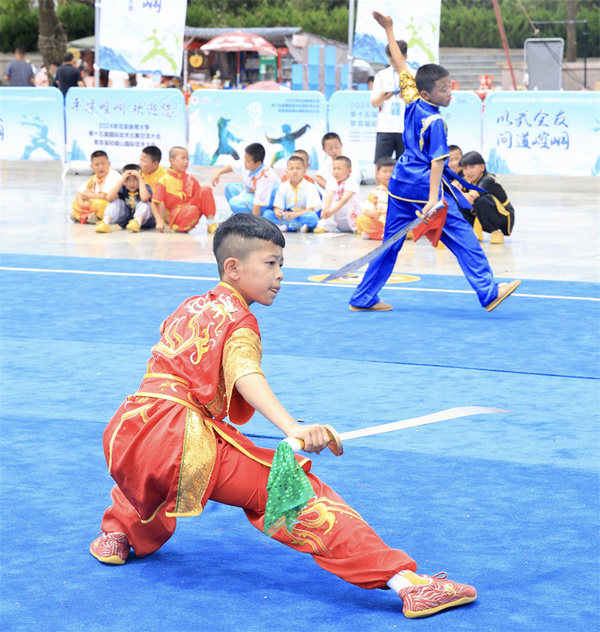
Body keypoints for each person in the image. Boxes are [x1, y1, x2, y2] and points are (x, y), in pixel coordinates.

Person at [89, 213, 477, 620]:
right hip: (180, 435)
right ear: (233, 267)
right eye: (270, 263)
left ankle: (116, 533)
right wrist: (292, 428)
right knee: (294, 491)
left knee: (159, 466)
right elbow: (244, 372)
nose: (279, 275)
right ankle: (407, 585)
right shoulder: (240, 321)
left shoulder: (191, 306)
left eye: (281, 264)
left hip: (130, 429)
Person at [349, 12, 520, 313]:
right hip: (423, 188)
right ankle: (488, 291)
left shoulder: (412, 97)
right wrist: (432, 200)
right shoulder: (435, 120)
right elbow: (439, 162)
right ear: (428, 92)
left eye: (450, 87)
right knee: (462, 236)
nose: (450, 93)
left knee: (390, 245)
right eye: (444, 90)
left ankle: (363, 297)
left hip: (400, 184)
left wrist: (389, 28)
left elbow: (400, 64)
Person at [152, 146, 218, 233]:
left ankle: (210, 222)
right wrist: (159, 221)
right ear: (172, 161)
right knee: (193, 210)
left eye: (187, 159)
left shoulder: (191, 179)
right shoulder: (164, 180)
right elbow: (154, 203)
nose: (186, 162)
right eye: (183, 158)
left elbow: (201, 197)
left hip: (191, 208)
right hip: (176, 213)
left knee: (206, 189)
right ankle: (179, 227)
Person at [459, 151, 515, 244]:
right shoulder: (468, 180)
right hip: (483, 215)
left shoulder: (488, 180)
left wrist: (459, 192)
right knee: (457, 201)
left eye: (472, 167)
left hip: (503, 217)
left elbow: (472, 196)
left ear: (482, 167)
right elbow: (452, 188)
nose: (469, 172)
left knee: (481, 200)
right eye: (465, 168)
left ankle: (496, 231)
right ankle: (470, 232)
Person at [212, 143, 280, 218]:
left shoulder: (265, 178)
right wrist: (218, 173)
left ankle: (249, 217)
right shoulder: (247, 163)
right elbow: (232, 166)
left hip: (268, 200)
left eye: (248, 161)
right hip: (250, 192)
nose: (244, 162)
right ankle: (241, 213)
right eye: (245, 159)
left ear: (258, 163)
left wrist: (254, 222)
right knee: (229, 187)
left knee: (234, 204)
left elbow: (258, 204)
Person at [371, 39, 411, 164]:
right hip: (385, 128)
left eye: (397, 59)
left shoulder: (414, 74)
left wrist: (407, 96)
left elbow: (420, 102)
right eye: (391, 59)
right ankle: (380, 185)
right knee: (380, 164)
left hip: (406, 128)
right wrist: (383, 97)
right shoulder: (381, 75)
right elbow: (374, 103)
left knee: (405, 165)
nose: (394, 63)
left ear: (405, 56)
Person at [264, 155, 320, 232]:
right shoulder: (282, 187)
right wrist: (278, 212)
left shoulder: (310, 186)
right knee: (267, 214)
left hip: (300, 216)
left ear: (304, 171)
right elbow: (277, 207)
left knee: (312, 217)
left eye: (298, 168)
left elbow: (310, 209)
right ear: (287, 171)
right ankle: (297, 227)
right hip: (286, 217)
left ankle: (284, 228)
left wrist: (295, 215)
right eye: (291, 168)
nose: (295, 171)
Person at [95, 164, 154, 233]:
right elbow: (109, 198)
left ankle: (137, 222)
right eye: (128, 180)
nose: (132, 183)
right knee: (116, 202)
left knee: (145, 204)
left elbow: (144, 198)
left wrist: (140, 178)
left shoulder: (144, 186)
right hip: (125, 220)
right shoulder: (123, 188)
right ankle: (105, 222)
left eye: (135, 180)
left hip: (144, 222)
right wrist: (122, 179)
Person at [314, 156, 362, 234]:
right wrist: (325, 210)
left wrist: (331, 211)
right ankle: (326, 226)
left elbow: (344, 199)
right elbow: (329, 194)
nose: (336, 171)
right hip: (336, 216)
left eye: (339, 169)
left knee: (352, 199)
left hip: (350, 217)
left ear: (349, 171)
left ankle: (357, 227)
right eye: (334, 169)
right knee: (327, 197)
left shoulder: (351, 181)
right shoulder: (331, 180)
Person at [71, 150, 121, 224]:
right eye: (97, 165)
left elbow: (105, 196)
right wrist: (81, 204)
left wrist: (90, 195)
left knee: (98, 204)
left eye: (103, 164)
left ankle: (88, 216)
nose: (100, 167)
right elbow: (80, 192)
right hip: (94, 203)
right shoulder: (94, 177)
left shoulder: (113, 176)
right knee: (75, 202)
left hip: (112, 204)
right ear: (92, 167)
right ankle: (89, 216)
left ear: (109, 164)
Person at [356, 157, 395, 241]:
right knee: (361, 220)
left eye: (392, 172)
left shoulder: (402, 191)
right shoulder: (375, 192)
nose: (388, 175)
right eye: (385, 171)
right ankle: (388, 234)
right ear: (377, 174)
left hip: (396, 223)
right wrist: (372, 213)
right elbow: (366, 210)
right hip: (380, 223)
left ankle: (377, 235)